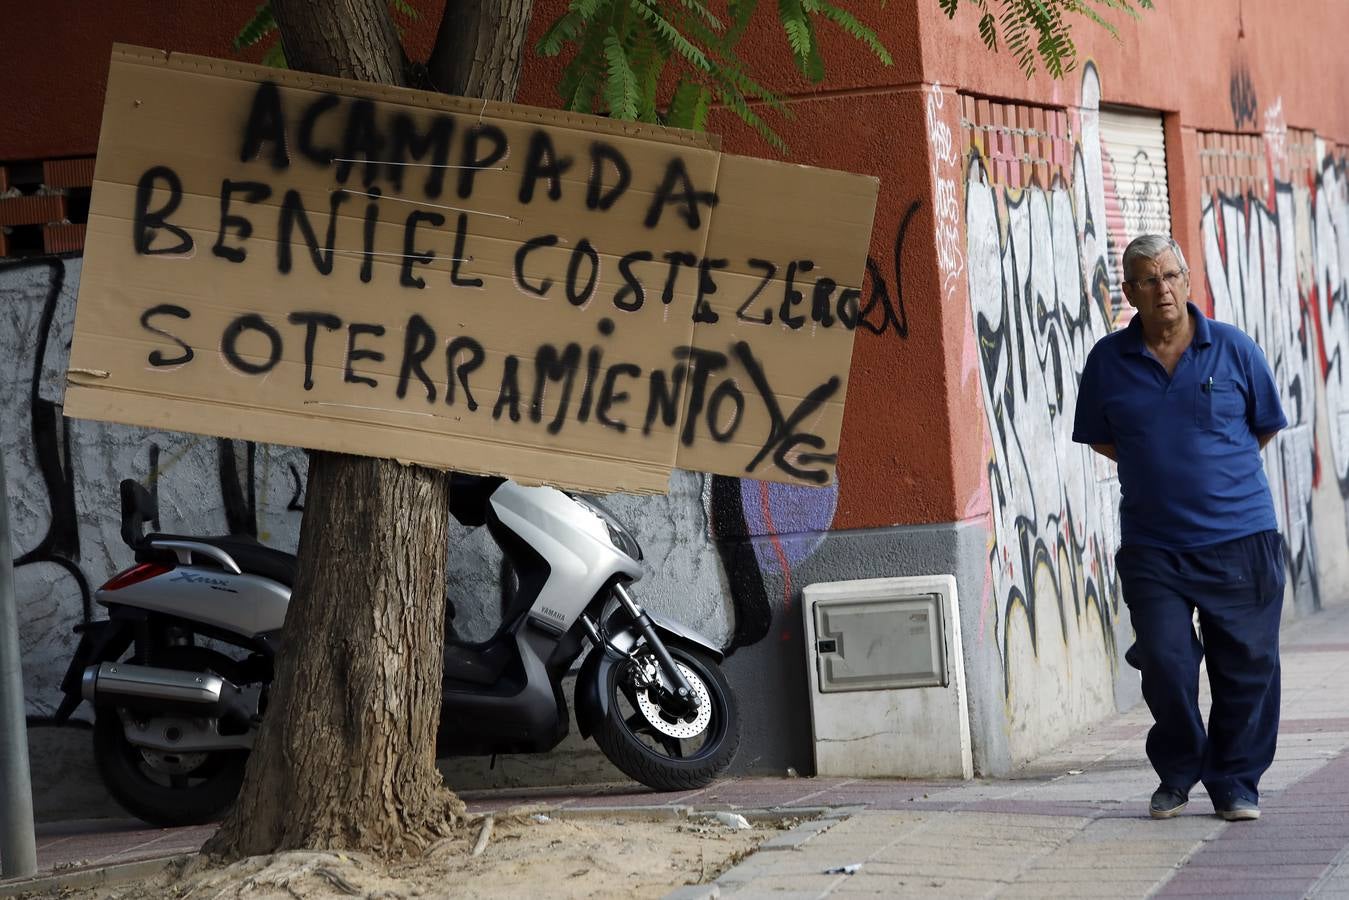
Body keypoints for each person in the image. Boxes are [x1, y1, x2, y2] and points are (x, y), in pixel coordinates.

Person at [1072, 234, 1287, 822]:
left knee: (1245, 669)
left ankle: (1237, 782)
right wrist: (1158, 467)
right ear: (1131, 292)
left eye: (1170, 275)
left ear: (1188, 281)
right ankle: (1178, 769)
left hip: (1241, 539)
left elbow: (1263, 425)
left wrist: (1211, 473)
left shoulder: (1235, 350)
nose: (1161, 288)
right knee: (1166, 662)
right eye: (1147, 279)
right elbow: (1101, 436)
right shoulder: (1107, 361)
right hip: (1153, 544)